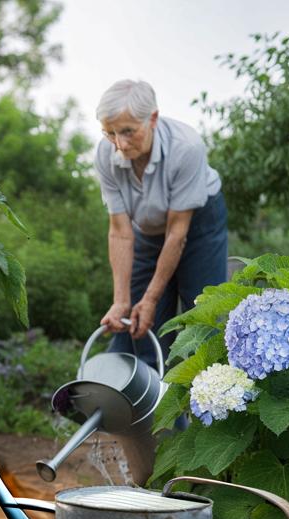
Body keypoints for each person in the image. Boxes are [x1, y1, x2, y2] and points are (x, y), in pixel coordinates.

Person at [93, 79, 228, 366]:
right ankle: (148, 406)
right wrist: (121, 300)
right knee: (137, 324)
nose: (120, 144)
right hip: (146, 230)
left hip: (199, 226)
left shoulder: (186, 147)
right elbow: (120, 233)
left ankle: (208, 402)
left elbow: (177, 234)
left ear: (152, 118)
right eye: (110, 133)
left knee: (201, 314)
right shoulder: (106, 154)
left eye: (128, 131)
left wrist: (152, 298)